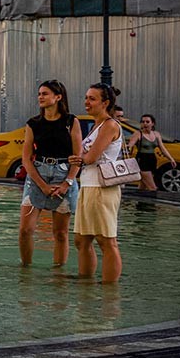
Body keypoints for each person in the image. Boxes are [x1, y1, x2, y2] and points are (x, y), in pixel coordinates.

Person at [18, 80, 82, 269]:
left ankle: (58, 271)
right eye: (39, 94)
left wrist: (67, 183)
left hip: (64, 175)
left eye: (45, 93)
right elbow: (26, 158)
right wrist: (42, 185)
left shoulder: (71, 122)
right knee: (25, 230)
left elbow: (77, 156)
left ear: (58, 97)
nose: (40, 97)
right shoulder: (33, 123)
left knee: (60, 233)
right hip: (38, 174)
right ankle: (26, 268)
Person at [73, 83, 125, 283]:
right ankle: (85, 281)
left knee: (106, 240)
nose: (87, 102)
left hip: (102, 188)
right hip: (88, 185)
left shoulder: (110, 125)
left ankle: (109, 289)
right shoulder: (96, 125)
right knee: (82, 238)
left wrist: (78, 157)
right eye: (86, 97)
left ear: (105, 103)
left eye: (92, 99)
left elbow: (91, 157)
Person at [127, 114, 174, 192]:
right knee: (152, 187)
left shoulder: (156, 134)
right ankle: (151, 203)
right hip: (142, 160)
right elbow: (131, 144)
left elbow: (162, 148)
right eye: (143, 122)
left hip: (152, 159)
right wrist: (128, 147)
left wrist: (171, 159)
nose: (145, 123)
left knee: (143, 185)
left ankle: (141, 202)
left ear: (152, 123)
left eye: (147, 122)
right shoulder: (138, 134)